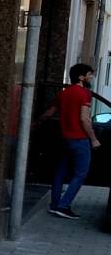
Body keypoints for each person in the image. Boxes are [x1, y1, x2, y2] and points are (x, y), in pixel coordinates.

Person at [40, 63, 101, 219]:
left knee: (60, 173)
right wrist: (93, 139)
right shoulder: (84, 94)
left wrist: (34, 123)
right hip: (80, 139)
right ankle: (63, 205)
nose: (91, 77)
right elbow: (84, 119)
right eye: (89, 75)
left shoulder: (63, 94)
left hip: (65, 139)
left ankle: (54, 205)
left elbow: (49, 113)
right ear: (81, 77)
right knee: (80, 174)